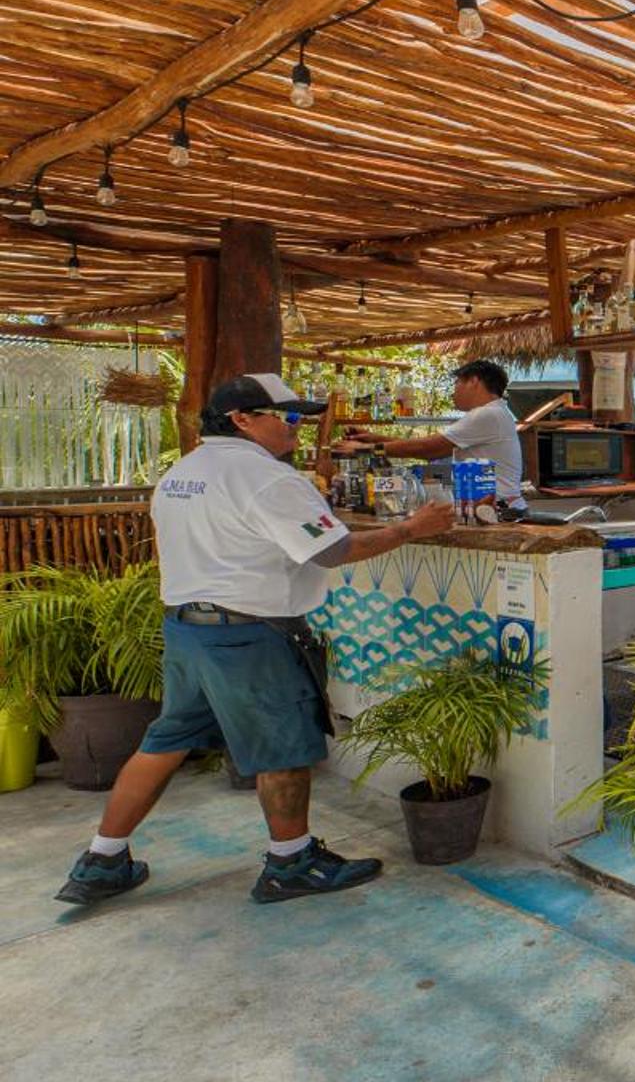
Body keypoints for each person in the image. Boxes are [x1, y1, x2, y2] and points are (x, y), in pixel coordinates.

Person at [56, 372, 454, 910]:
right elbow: (333, 551)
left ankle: (102, 859)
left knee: (165, 741)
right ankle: (291, 863)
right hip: (249, 635)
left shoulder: (182, 473)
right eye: (286, 417)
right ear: (242, 419)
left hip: (188, 631)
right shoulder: (267, 478)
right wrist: (412, 528)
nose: (297, 428)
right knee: (284, 750)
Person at [356, 358, 524, 507]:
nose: (453, 392)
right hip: (488, 504)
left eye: (457, 383)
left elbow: (427, 449)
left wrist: (364, 449)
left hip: (494, 510)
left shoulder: (487, 414)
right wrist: (374, 438)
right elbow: (432, 446)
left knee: (399, 492)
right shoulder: (494, 412)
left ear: (473, 381)